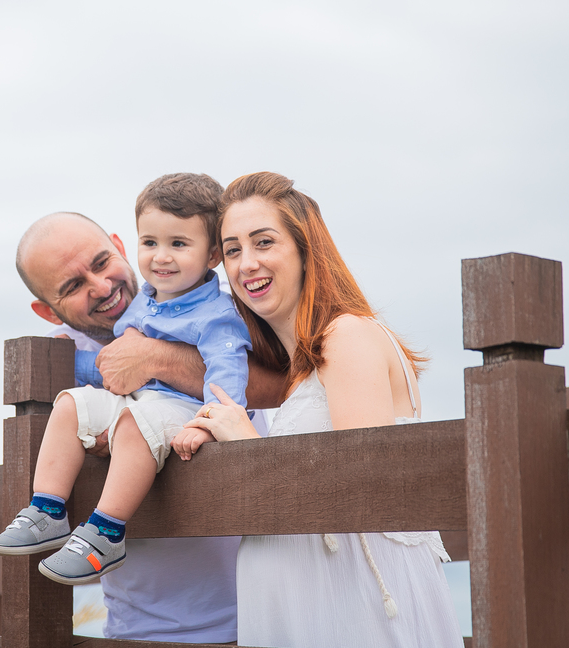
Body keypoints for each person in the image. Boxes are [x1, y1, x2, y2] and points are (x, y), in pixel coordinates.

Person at [186, 171, 464, 647]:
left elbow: (364, 488)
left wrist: (247, 446)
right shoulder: (301, 366)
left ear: (304, 248)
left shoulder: (347, 335)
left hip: (354, 609)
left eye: (264, 242)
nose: (246, 263)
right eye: (232, 250)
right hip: (307, 607)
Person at [0, 203, 284, 643]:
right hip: (138, 626)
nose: (101, 285)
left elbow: (274, 387)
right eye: (73, 285)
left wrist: (152, 358)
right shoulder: (59, 363)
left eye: (101, 262)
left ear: (118, 246)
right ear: (48, 312)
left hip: (260, 617)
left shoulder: (217, 308)